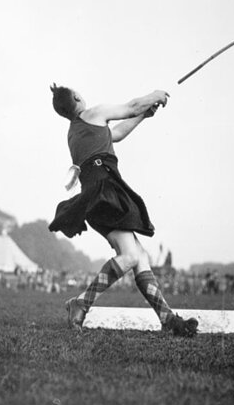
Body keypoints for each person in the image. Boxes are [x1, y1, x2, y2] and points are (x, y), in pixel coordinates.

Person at [48, 84, 198, 337]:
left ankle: (167, 318)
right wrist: (155, 95)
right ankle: (81, 303)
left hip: (95, 194)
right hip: (105, 190)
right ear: (76, 97)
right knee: (129, 256)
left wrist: (143, 115)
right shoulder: (93, 113)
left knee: (139, 257)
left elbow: (115, 134)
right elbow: (129, 107)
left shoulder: (74, 132)